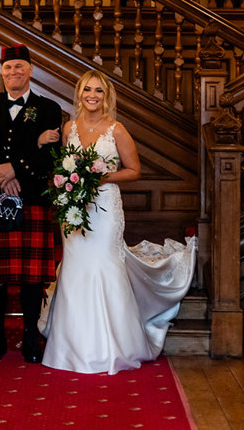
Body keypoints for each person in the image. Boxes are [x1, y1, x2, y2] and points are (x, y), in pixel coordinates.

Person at [40, 70, 196, 375]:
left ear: (106, 96)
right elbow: (60, 165)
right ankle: (70, 346)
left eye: (98, 91)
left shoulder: (117, 129)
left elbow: (134, 170)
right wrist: (69, 181)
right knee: (75, 267)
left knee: (105, 266)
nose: (92, 96)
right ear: (80, 93)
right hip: (73, 210)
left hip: (105, 209)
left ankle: (114, 345)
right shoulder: (69, 127)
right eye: (87, 90)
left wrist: (99, 177)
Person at [0, 44, 62, 364]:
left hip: (31, 196)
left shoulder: (48, 108)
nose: (13, 73)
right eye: (7, 68)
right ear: (1, 72)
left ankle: (31, 336)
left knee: (31, 275)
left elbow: (51, 154)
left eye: (19, 67)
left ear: (31, 71)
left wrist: (15, 169)